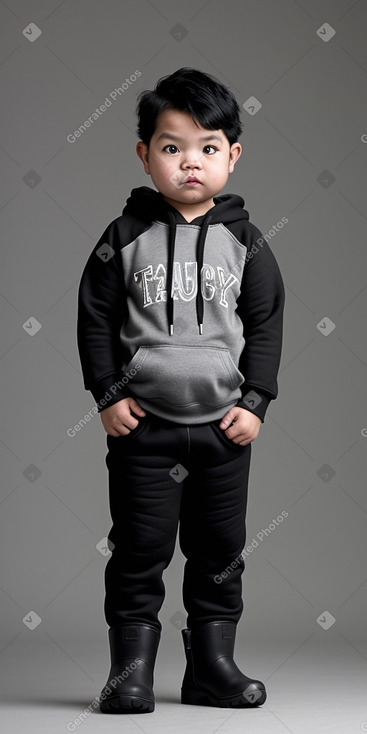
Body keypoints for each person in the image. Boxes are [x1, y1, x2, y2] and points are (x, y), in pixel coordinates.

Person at [77, 67, 285, 714]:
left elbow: (268, 323)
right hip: (144, 431)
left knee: (219, 552)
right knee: (138, 551)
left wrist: (254, 401)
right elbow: (93, 320)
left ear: (232, 155)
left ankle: (212, 667)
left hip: (223, 430)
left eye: (207, 147)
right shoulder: (123, 237)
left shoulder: (247, 244)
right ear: (144, 155)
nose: (190, 163)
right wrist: (109, 396)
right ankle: (129, 673)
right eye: (171, 147)